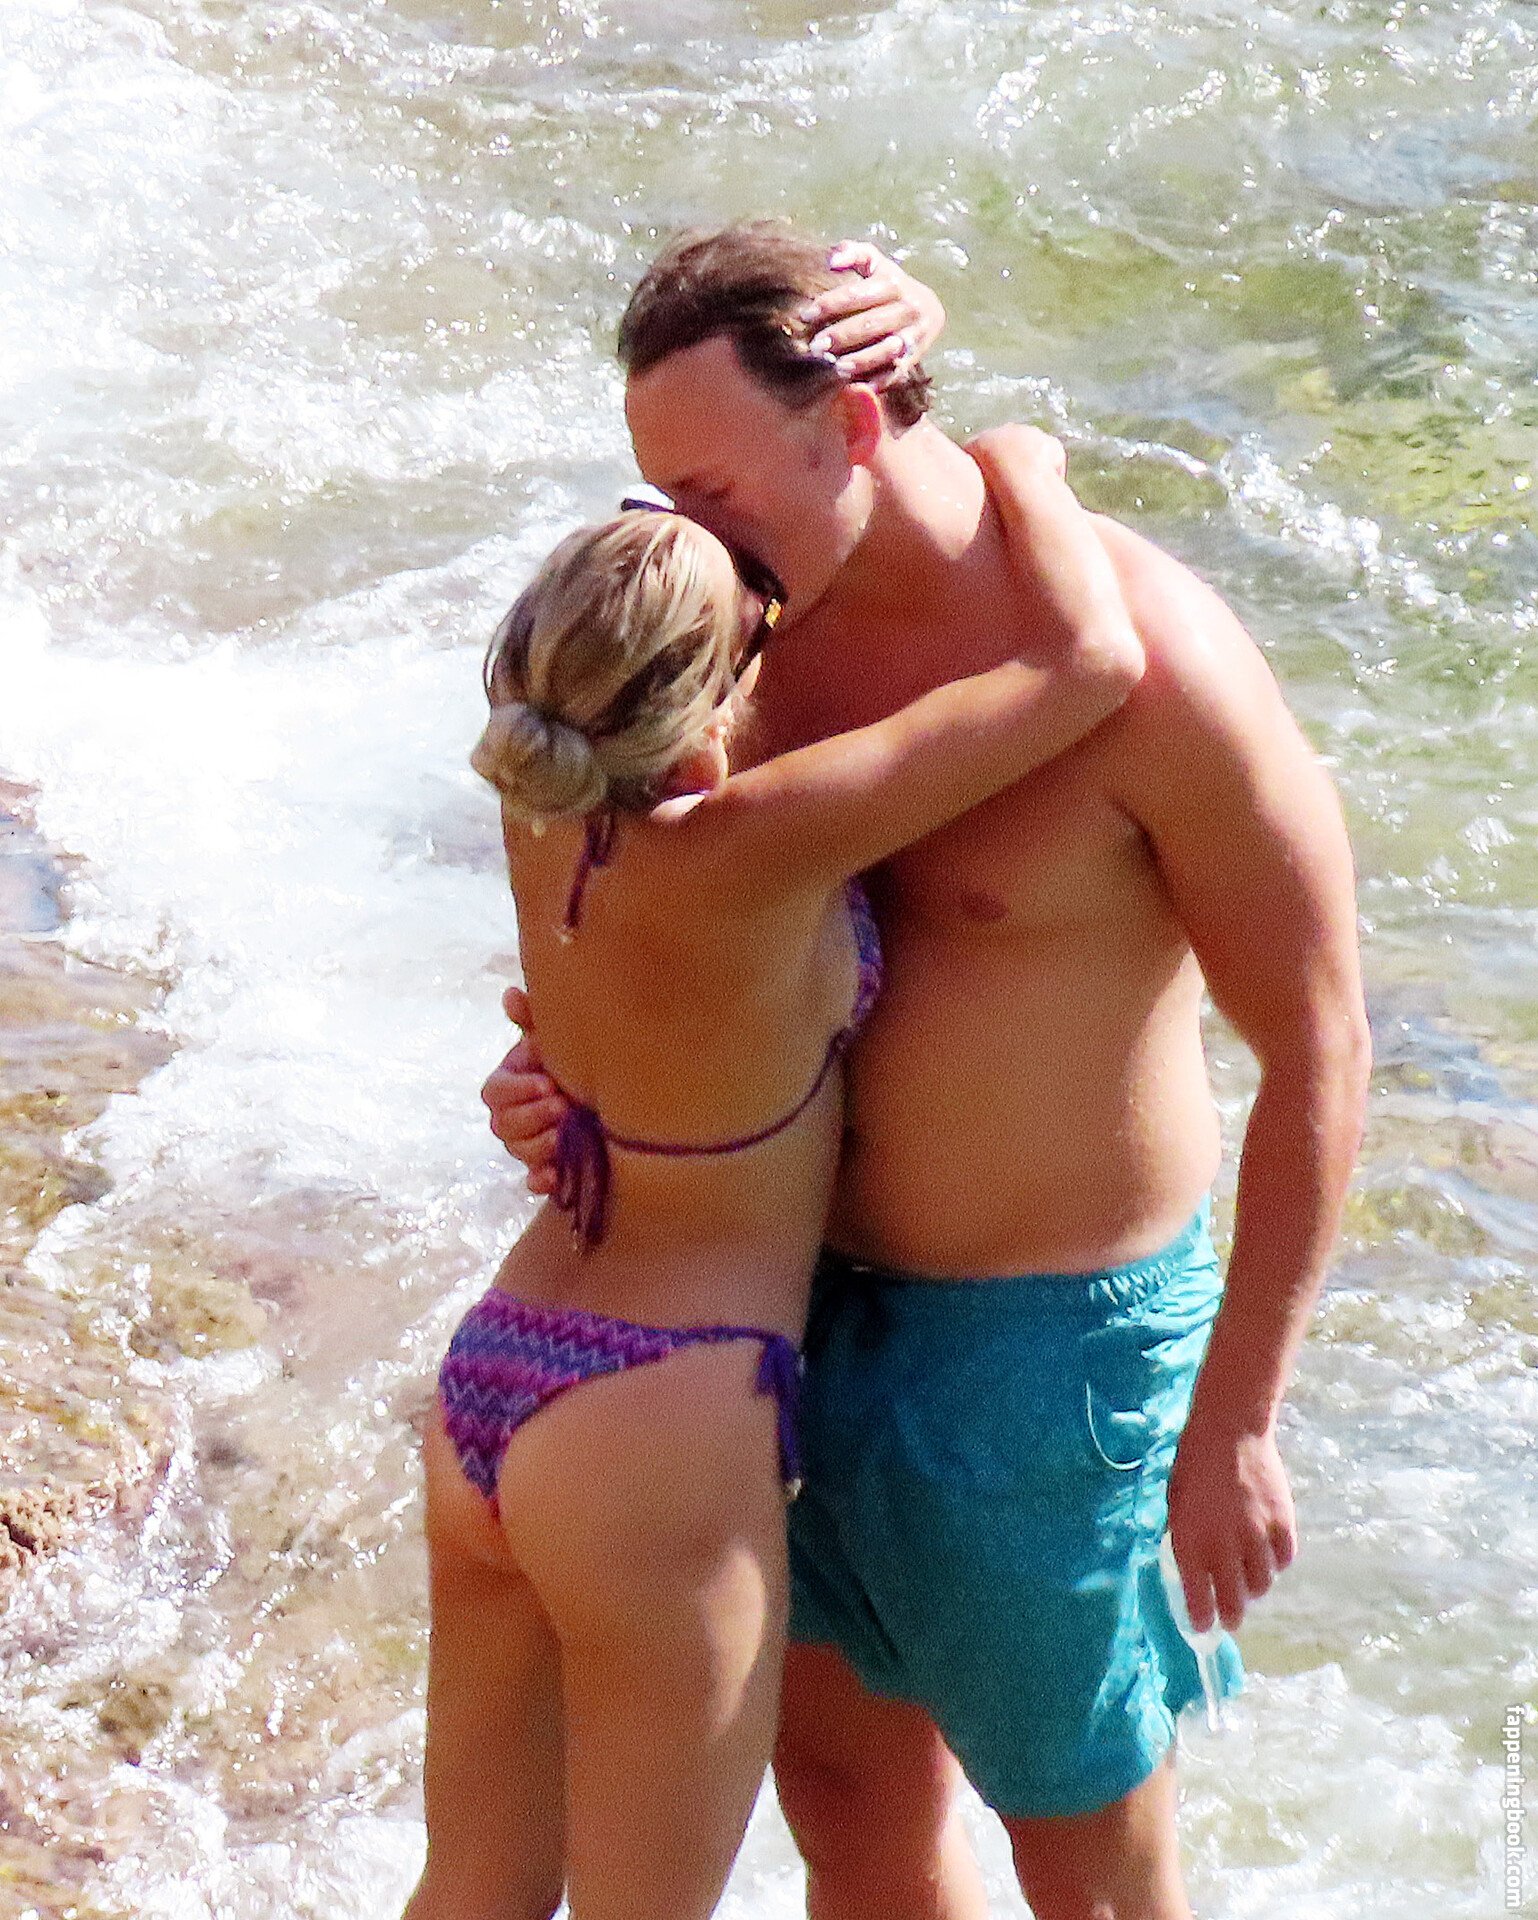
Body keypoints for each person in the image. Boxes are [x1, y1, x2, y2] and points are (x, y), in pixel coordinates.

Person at [485, 221, 1373, 1920]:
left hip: (1042, 1360)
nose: (682, 531)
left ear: (853, 424)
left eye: (712, 488)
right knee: (851, 1819)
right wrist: (561, 1085)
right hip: (773, 1308)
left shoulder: (1153, 664)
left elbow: (1317, 1042)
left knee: (1084, 1871)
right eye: (659, 488)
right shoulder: (731, 651)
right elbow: (641, 930)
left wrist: (1236, 1419)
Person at [404, 440, 1145, 1920]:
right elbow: (1088, 666)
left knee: (472, 1888)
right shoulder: (754, 842)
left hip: (497, 1372)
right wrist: (1024, 467)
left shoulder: (539, 811)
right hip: (663, 1413)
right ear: (701, 729)